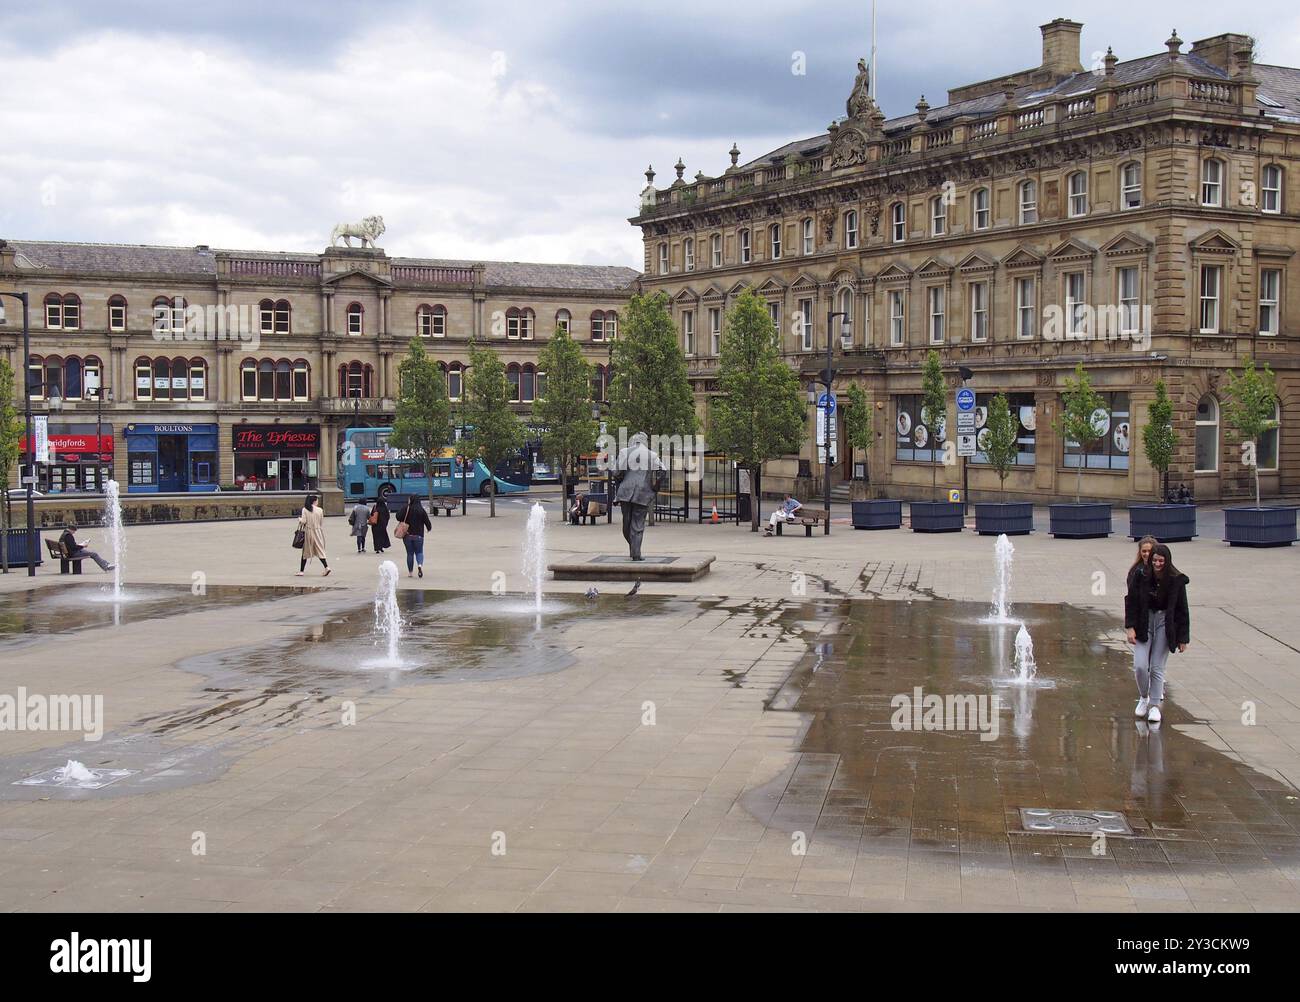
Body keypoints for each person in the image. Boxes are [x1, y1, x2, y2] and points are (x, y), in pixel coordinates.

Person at [1127, 542, 1190, 724]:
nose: (1157, 564)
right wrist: (1130, 627)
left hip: (1164, 623)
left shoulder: (1176, 579)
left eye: (1161, 561)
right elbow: (1131, 601)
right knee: (1140, 665)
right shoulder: (1141, 575)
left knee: (1156, 666)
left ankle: (1154, 705)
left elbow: (1182, 609)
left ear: (1167, 561)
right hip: (1143, 621)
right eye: (1155, 560)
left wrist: (1183, 638)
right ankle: (1143, 696)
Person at [613, 432, 664, 561]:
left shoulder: (625, 452)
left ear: (632, 441)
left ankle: (635, 552)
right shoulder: (652, 455)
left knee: (627, 523)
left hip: (625, 492)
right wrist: (655, 487)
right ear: (645, 441)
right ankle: (635, 551)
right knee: (637, 524)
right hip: (643, 493)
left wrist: (623, 476)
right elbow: (662, 470)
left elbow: (616, 472)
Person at [296, 494, 330, 577]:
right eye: (317, 500)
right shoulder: (320, 510)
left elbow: (303, 521)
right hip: (318, 531)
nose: (317, 502)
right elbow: (321, 522)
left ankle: (301, 571)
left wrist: (299, 519)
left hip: (309, 532)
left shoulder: (305, 509)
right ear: (314, 501)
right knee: (320, 549)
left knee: (306, 551)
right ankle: (326, 567)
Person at [398, 495, 432, 578]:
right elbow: (427, 522)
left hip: (407, 535)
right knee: (419, 552)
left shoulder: (406, 508)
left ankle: (410, 572)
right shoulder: (421, 510)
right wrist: (428, 528)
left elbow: (398, 516)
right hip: (419, 535)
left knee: (410, 554)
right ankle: (419, 565)